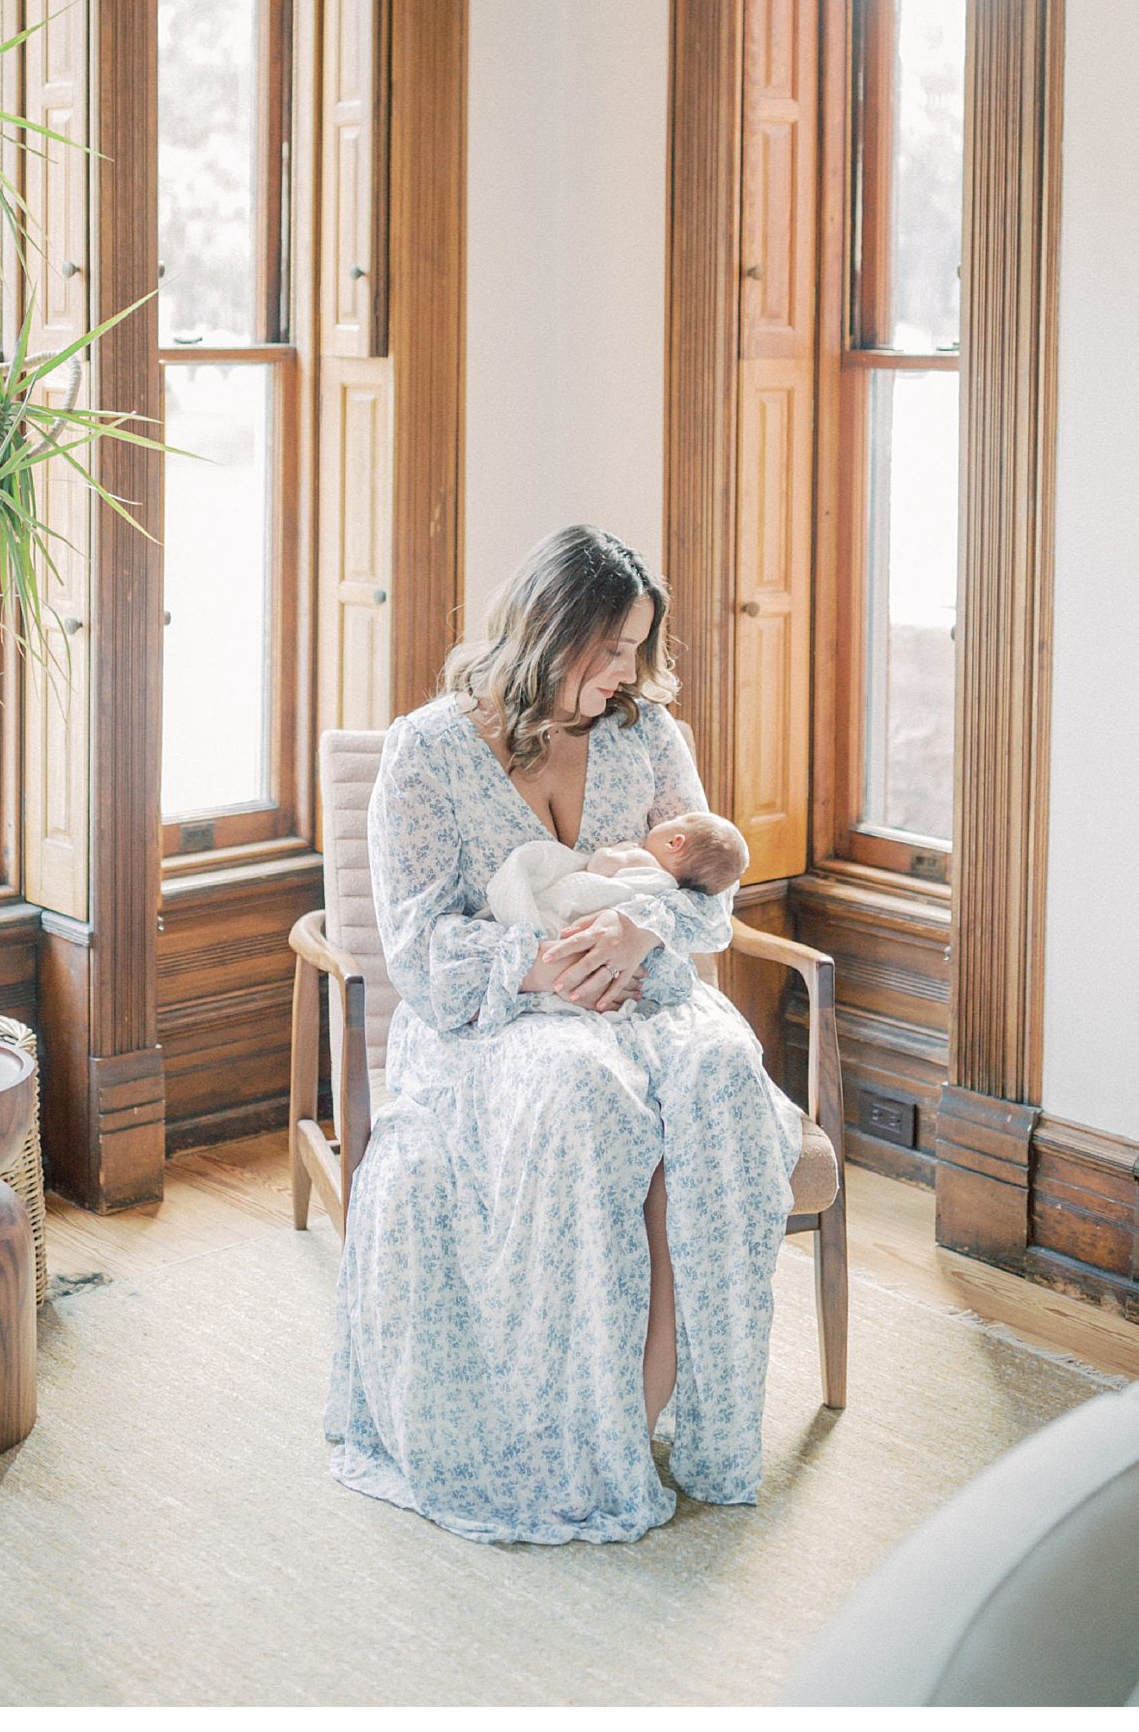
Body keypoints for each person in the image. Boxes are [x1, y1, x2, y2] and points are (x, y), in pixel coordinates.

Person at [323, 524, 806, 1546]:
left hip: (646, 993)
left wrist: (639, 927)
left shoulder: (645, 733)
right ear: (548, 633)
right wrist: (538, 965)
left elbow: (706, 888)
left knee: (722, 1073)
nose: (625, 671)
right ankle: (584, 1432)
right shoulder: (429, 750)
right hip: (491, 1021)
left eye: (637, 646)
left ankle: (695, 1419)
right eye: (609, 648)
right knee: (580, 1090)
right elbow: (415, 948)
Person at [485, 806, 748, 940]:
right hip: (593, 929)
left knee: (539, 917)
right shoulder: (668, 890)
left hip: (574, 905)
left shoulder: (642, 859)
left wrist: (616, 849)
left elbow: (598, 866)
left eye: (670, 822)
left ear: (674, 843)